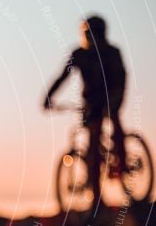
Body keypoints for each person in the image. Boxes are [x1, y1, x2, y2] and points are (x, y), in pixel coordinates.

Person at [43, 15, 127, 208]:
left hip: (112, 98)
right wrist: (48, 97)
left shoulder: (112, 53)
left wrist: (115, 100)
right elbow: (62, 76)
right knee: (93, 147)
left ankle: (123, 167)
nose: (91, 38)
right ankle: (96, 197)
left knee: (116, 128)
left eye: (94, 34)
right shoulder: (79, 54)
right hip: (91, 103)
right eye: (89, 34)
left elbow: (122, 78)